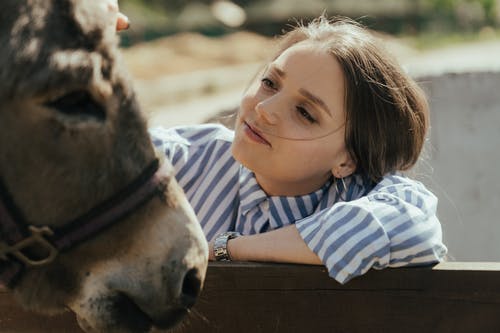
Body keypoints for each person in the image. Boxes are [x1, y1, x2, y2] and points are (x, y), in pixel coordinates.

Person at [117, 10, 447, 284]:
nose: (265, 109)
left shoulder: (366, 196)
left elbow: (412, 227)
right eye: (270, 83)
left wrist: (230, 249)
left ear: (347, 160)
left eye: (305, 112)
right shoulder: (184, 159)